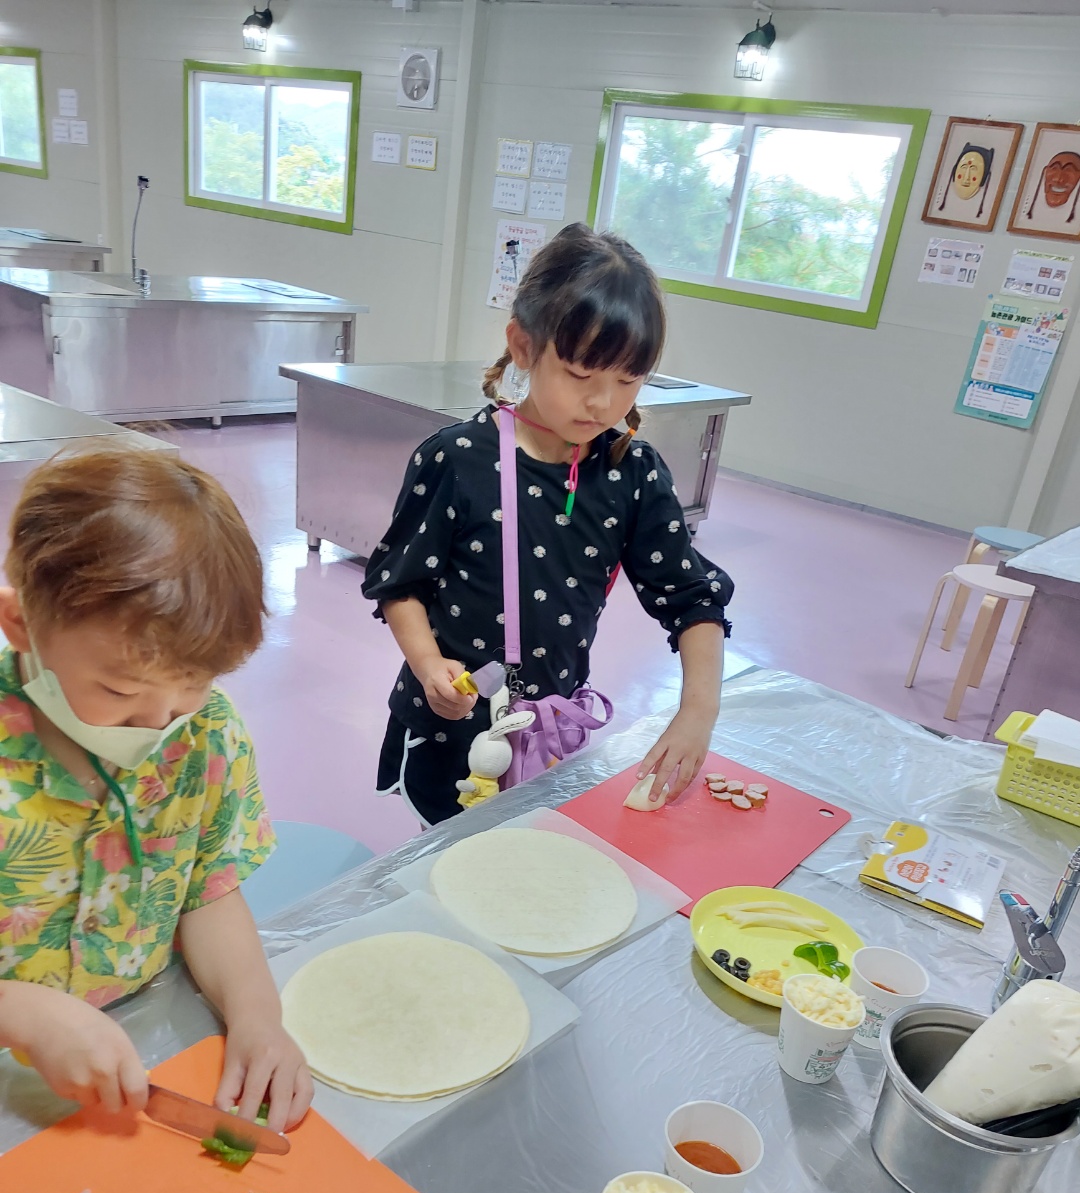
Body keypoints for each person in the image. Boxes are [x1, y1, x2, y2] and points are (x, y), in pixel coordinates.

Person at [363, 221, 733, 826]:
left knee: (525, 860)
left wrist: (698, 710)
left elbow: (691, 598)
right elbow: (401, 582)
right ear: (524, 347)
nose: (603, 404)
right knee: (448, 859)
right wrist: (430, 665)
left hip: (549, 736)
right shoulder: (456, 459)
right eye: (582, 376)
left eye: (627, 380)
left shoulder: (632, 471)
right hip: (452, 729)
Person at [0, 446, 313, 1131]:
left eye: (191, 690)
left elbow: (207, 889)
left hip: (149, 1036)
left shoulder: (205, 738)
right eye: (118, 690)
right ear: (21, 623)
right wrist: (17, 1010)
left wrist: (257, 1016)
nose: (155, 722)